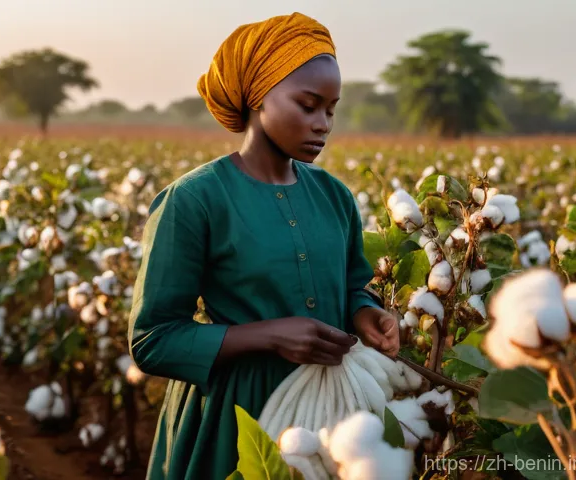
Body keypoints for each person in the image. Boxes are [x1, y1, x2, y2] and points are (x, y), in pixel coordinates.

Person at [128, 12, 400, 480]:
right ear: (258, 98)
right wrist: (271, 335)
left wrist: (364, 313)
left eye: (331, 109)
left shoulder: (335, 196)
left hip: (332, 416)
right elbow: (152, 340)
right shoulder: (194, 200)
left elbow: (355, 285)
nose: (324, 124)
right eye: (308, 105)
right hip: (233, 424)